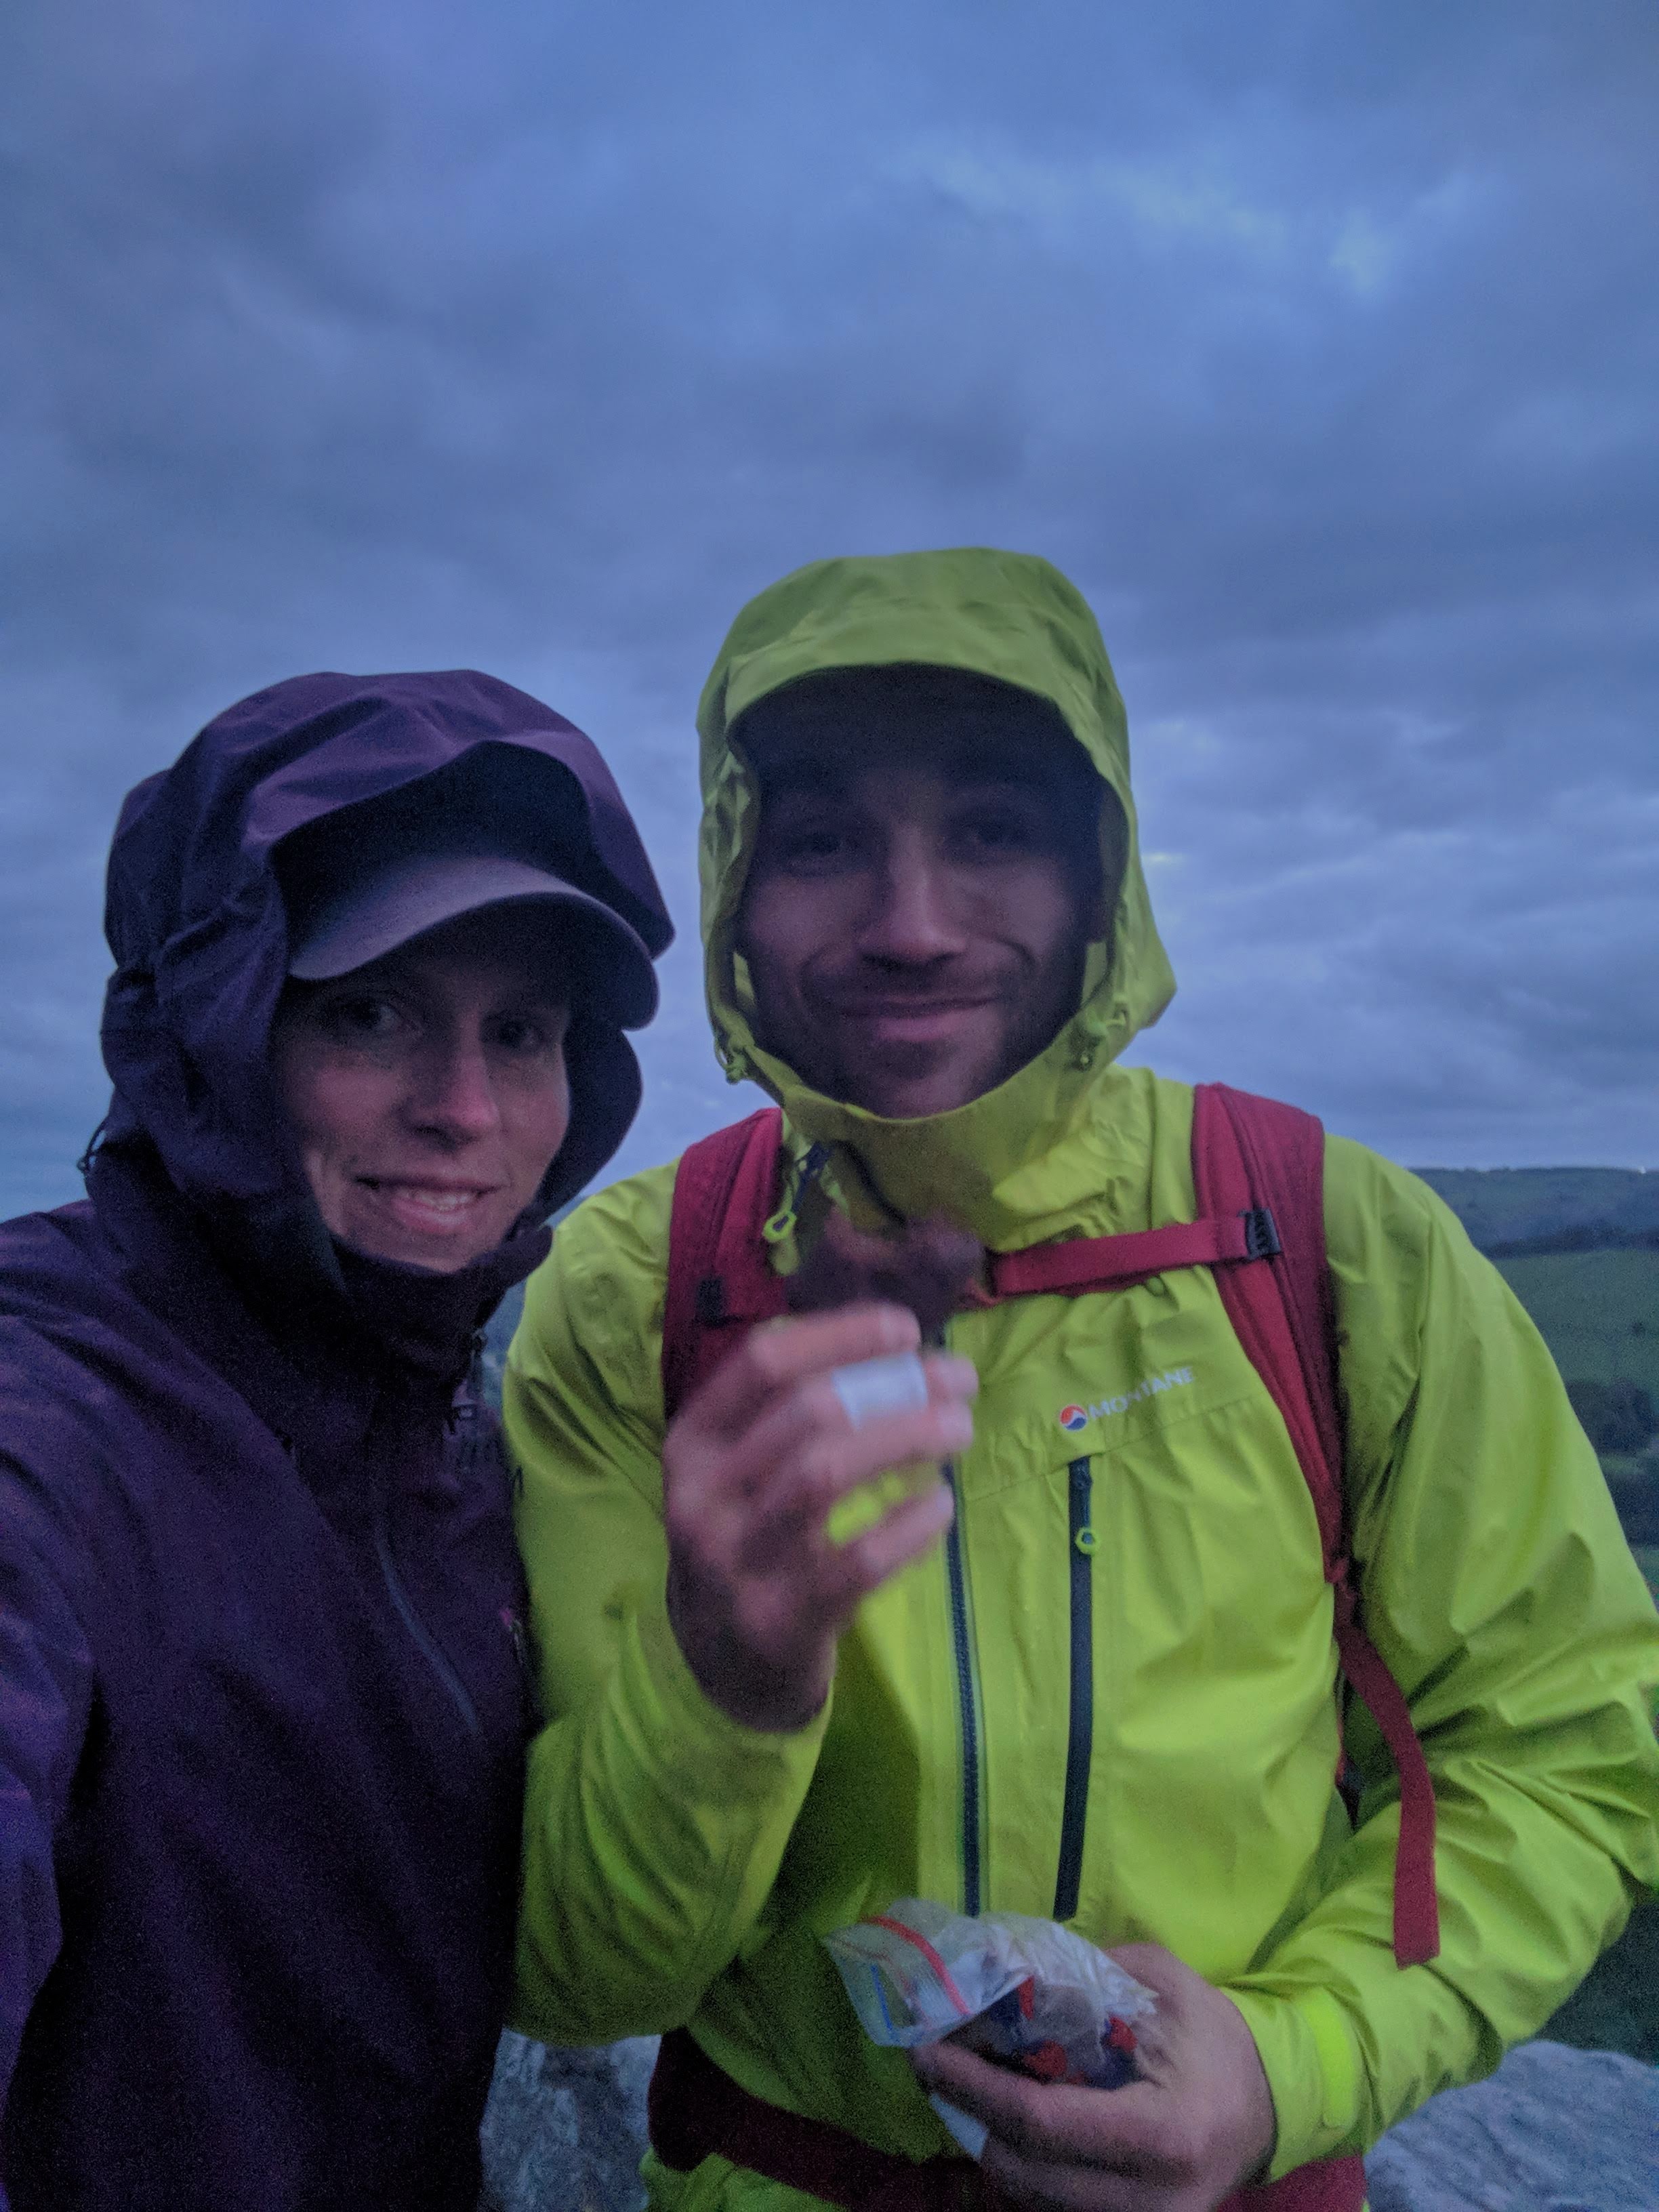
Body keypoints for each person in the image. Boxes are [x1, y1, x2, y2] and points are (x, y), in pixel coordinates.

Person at [504, 550, 1659, 2212]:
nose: (911, 927)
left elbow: (1561, 1746)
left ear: (1104, 870)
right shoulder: (634, 1295)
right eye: (823, 841)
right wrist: (723, 1680)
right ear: (736, 885)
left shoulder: (1321, 1240)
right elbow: (579, 1977)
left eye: (992, 829)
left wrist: (1290, 2067)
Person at [0, 669, 672, 2211]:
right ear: (215, 1026)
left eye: (522, 1030)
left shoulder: (425, 1411)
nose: (464, 1109)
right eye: (369, 1011)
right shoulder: (58, 1407)